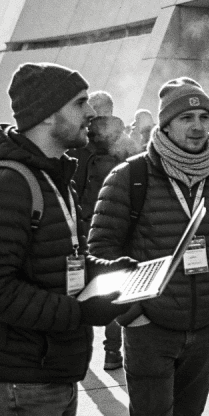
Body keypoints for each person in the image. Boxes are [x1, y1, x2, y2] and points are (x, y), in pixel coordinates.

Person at [0, 63, 131, 416]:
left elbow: (60, 261)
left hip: (50, 371)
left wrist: (110, 270)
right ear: (48, 113)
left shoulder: (52, 174)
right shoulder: (5, 182)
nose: (91, 113)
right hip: (20, 379)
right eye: (80, 103)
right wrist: (81, 311)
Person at [89, 77, 209, 416]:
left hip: (208, 326)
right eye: (186, 118)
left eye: (204, 117)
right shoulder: (129, 177)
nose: (197, 126)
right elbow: (101, 252)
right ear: (165, 124)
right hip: (150, 328)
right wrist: (132, 314)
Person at [70, 109, 135, 372]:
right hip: (119, 226)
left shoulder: (80, 146)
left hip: (85, 226)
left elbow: (72, 188)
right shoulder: (125, 144)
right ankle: (112, 352)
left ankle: (80, 350)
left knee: (79, 286)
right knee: (113, 286)